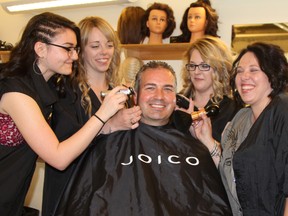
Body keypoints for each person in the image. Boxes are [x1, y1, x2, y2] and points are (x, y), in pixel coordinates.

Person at [52, 61, 232, 215]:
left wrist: (206, 142)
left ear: (175, 98)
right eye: (150, 87)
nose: (159, 96)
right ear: (136, 96)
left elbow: (217, 201)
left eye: (167, 89)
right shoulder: (110, 141)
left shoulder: (194, 144)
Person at [0, 12, 128, 216]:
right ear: (40, 48)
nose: (75, 56)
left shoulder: (45, 90)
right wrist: (104, 113)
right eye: (68, 49)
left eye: (76, 49)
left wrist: (109, 125)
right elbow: (58, 157)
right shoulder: (17, 93)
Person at [42, 16, 142, 216]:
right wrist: (109, 124)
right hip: (70, 190)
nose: (104, 52)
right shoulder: (64, 92)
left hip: (107, 191)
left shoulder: (120, 92)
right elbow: (61, 148)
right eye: (95, 46)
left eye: (109, 45)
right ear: (80, 51)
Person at [195, 42, 288, 215]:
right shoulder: (240, 118)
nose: (244, 77)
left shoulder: (282, 110)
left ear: (273, 73)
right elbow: (229, 169)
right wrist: (207, 139)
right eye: (239, 71)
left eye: (253, 70)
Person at [174, 36, 240, 143]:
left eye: (204, 66)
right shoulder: (177, 103)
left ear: (219, 69)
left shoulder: (233, 110)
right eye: (192, 65)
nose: (196, 72)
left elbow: (230, 155)